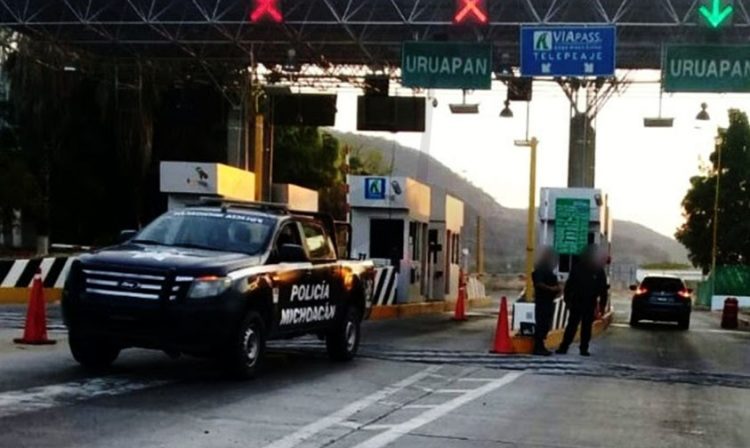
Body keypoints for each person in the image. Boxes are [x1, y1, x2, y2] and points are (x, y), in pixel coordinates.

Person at [556, 244, 608, 357]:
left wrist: (602, 307)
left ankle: (584, 348)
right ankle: (564, 346)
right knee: (572, 326)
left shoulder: (599, 271)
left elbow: (603, 290)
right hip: (577, 302)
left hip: (590, 303)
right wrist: (567, 300)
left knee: (586, 327)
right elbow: (569, 286)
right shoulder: (578, 268)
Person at [532, 246, 561, 356]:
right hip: (542, 301)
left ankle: (541, 345)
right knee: (541, 323)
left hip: (549, 301)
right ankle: (538, 347)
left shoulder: (549, 270)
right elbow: (538, 283)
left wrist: (558, 289)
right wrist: (551, 289)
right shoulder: (540, 268)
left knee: (546, 324)